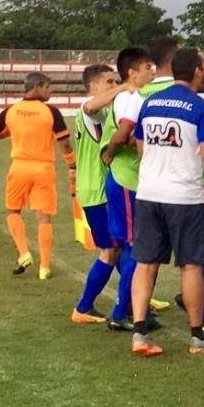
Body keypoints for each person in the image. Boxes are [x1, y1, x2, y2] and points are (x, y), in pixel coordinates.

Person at [129, 47, 204, 356]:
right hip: (183, 196)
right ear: (196, 70)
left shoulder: (150, 102)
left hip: (148, 192)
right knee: (191, 264)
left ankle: (139, 334)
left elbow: (141, 147)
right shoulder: (201, 107)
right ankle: (197, 336)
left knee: (145, 263)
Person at [0, 72, 74, 280]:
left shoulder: (11, 110)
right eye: (48, 87)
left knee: (12, 210)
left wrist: (17, 132)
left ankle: (24, 252)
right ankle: (44, 267)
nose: (50, 91)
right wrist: (72, 164)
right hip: (44, 168)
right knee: (43, 217)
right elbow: (63, 142)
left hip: (19, 166)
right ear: (36, 87)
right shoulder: (51, 111)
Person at [97, 47, 159, 331]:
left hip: (129, 181)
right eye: (148, 67)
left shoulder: (135, 98)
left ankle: (134, 308)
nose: (153, 71)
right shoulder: (128, 98)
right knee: (136, 248)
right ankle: (123, 313)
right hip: (127, 181)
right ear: (132, 73)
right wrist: (110, 151)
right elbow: (124, 132)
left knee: (134, 247)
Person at [71, 64, 129, 323]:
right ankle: (83, 307)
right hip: (97, 190)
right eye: (109, 81)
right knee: (110, 249)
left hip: (99, 188)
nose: (113, 85)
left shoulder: (102, 111)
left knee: (122, 245)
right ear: (93, 86)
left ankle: (135, 297)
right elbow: (92, 108)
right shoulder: (90, 109)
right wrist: (126, 86)